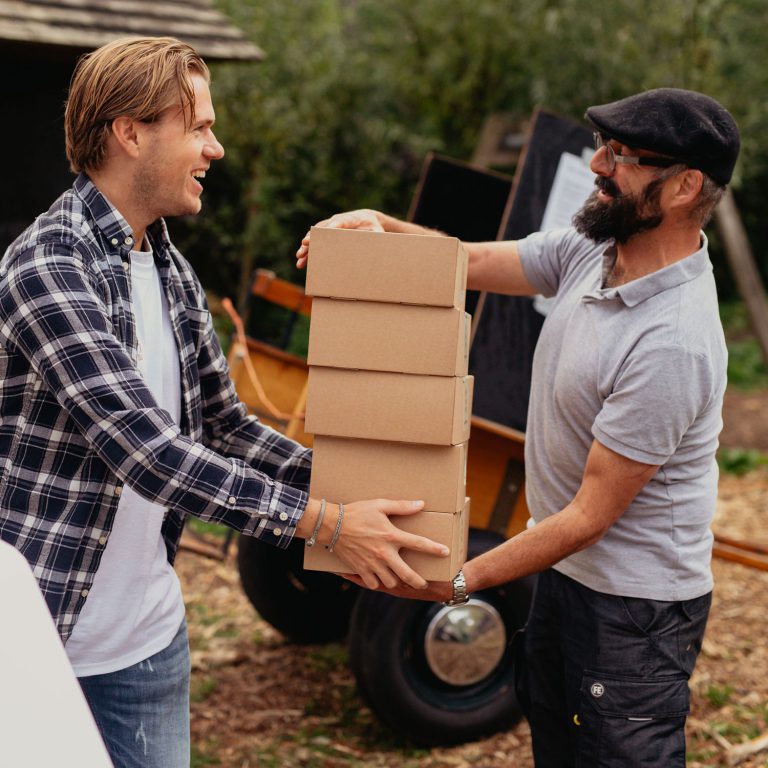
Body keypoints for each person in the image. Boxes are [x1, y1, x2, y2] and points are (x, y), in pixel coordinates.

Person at [0, 36, 448, 768]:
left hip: (146, 643)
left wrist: (359, 487)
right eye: (200, 126)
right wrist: (329, 524)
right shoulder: (46, 267)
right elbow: (149, 453)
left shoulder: (167, 263)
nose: (217, 147)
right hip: (39, 641)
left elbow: (222, 425)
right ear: (131, 131)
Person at [297, 88, 740, 767]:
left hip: (635, 613)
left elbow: (592, 513)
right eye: (604, 146)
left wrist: (457, 580)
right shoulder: (596, 251)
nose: (598, 164)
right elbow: (468, 264)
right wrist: (379, 227)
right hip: (565, 572)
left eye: (622, 155)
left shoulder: (673, 340)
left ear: (684, 187)